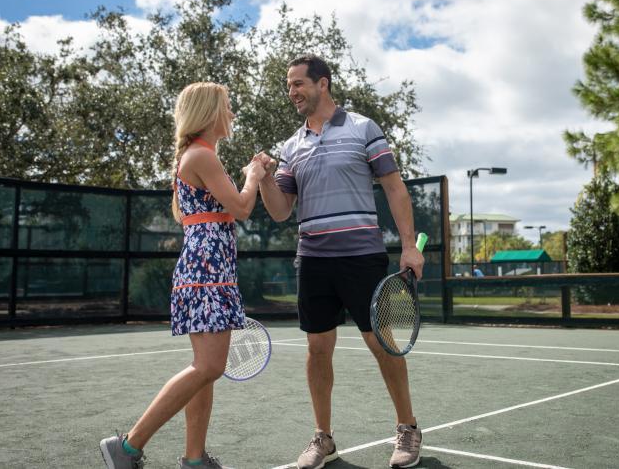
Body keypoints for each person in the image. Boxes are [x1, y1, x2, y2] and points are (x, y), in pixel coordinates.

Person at [255, 55, 425, 469]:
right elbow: (280, 210)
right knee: (317, 348)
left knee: (380, 343)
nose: (292, 92)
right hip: (313, 260)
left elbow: (394, 188)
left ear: (323, 84)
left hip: (362, 256)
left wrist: (408, 245)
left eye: (298, 84)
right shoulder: (291, 147)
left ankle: (408, 428)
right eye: (288, 86)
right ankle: (323, 439)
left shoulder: (363, 128)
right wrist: (261, 178)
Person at [99, 82, 266, 469]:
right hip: (206, 272)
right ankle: (127, 447)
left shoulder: (200, 156)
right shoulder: (201, 156)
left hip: (211, 271)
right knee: (208, 367)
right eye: (228, 107)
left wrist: (252, 177)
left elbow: (234, 208)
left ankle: (194, 459)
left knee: (204, 369)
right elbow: (242, 206)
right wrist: (254, 174)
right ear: (209, 113)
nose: (233, 114)